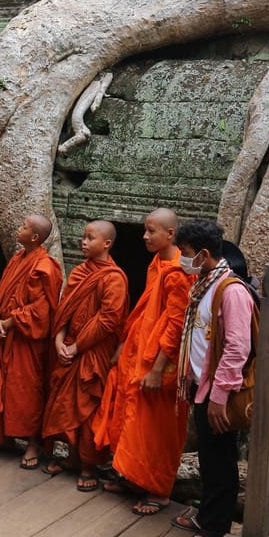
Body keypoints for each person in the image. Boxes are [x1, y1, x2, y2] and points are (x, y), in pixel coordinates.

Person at [92, 208, 194, 515]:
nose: (145, 236)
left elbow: (176, 326)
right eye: (145, 230)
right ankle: (132, 478)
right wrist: (125, 345)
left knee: (156, 431)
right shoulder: (158, 264)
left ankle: (159, 491)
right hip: (139, 355)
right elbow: (144, 310)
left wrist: (158, 368)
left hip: (160, 365)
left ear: (171, 234)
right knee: (132, 422)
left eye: (151, 231)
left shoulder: (178, 272)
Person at [170, 220, 256, 537]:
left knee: (221, 458)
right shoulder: (204, 284)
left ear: (204, 254)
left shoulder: (230, 290)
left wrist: (220, 396)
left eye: (186, 253)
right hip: (201, 387)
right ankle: (207, 514)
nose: (182, 259)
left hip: (220, 392)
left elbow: (237, 346)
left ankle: (215, 528)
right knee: (208, 455)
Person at [41, 220, 130, 491]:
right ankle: (72, 457)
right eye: (83, 237)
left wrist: (77, 346)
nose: (83, 242)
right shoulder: (80, 271)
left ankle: (89, 464)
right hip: (68, 347)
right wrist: (58, 340)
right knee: (64, 403)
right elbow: (63, 309)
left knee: (88, 407)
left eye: (90, 238)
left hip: (92, 352)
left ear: (106, 244)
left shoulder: (114, 278)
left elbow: (108, 320)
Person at [0, 215, 62, 469]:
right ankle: (4, 437)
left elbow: (43, 309)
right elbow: (3, 294)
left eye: (23, 226)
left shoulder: (46, 266)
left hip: (27, 341)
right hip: (5, 336)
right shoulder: (16, 259)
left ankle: (33, 444)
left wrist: (10, 322)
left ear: (35, 237)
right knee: (2, 387)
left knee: (28, 391)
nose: (19, 228)